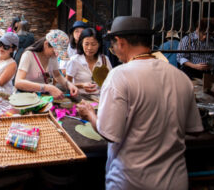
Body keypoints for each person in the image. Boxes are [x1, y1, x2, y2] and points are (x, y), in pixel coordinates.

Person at [77, 16, 203, 190]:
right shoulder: (180, 77)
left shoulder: (119, 75)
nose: (114, 50)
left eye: (113, 45)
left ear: (120, 42)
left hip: (132, 180)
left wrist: (89, 113)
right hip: (175, 180)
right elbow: (194, 130)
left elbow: (108, 133)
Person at [15, 29, 78, 99]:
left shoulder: (52, 57)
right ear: (46, 44)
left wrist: (69, 85)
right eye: (55, 52)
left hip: (42, 97)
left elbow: (57, 75)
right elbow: (18, 82)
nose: (56, 55)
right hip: (26, 97)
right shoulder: (29, 55)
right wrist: (47, 87)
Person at [66, 28, 111, 95]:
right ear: (81, 44)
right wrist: (81, 85)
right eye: (86, 44)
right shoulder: (74, 60)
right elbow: (66, 84)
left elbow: (110, 81)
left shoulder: (104, 60)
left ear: (99, 45)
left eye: (93, 44)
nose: (90, 48)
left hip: (100, 99)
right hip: (80, 99)